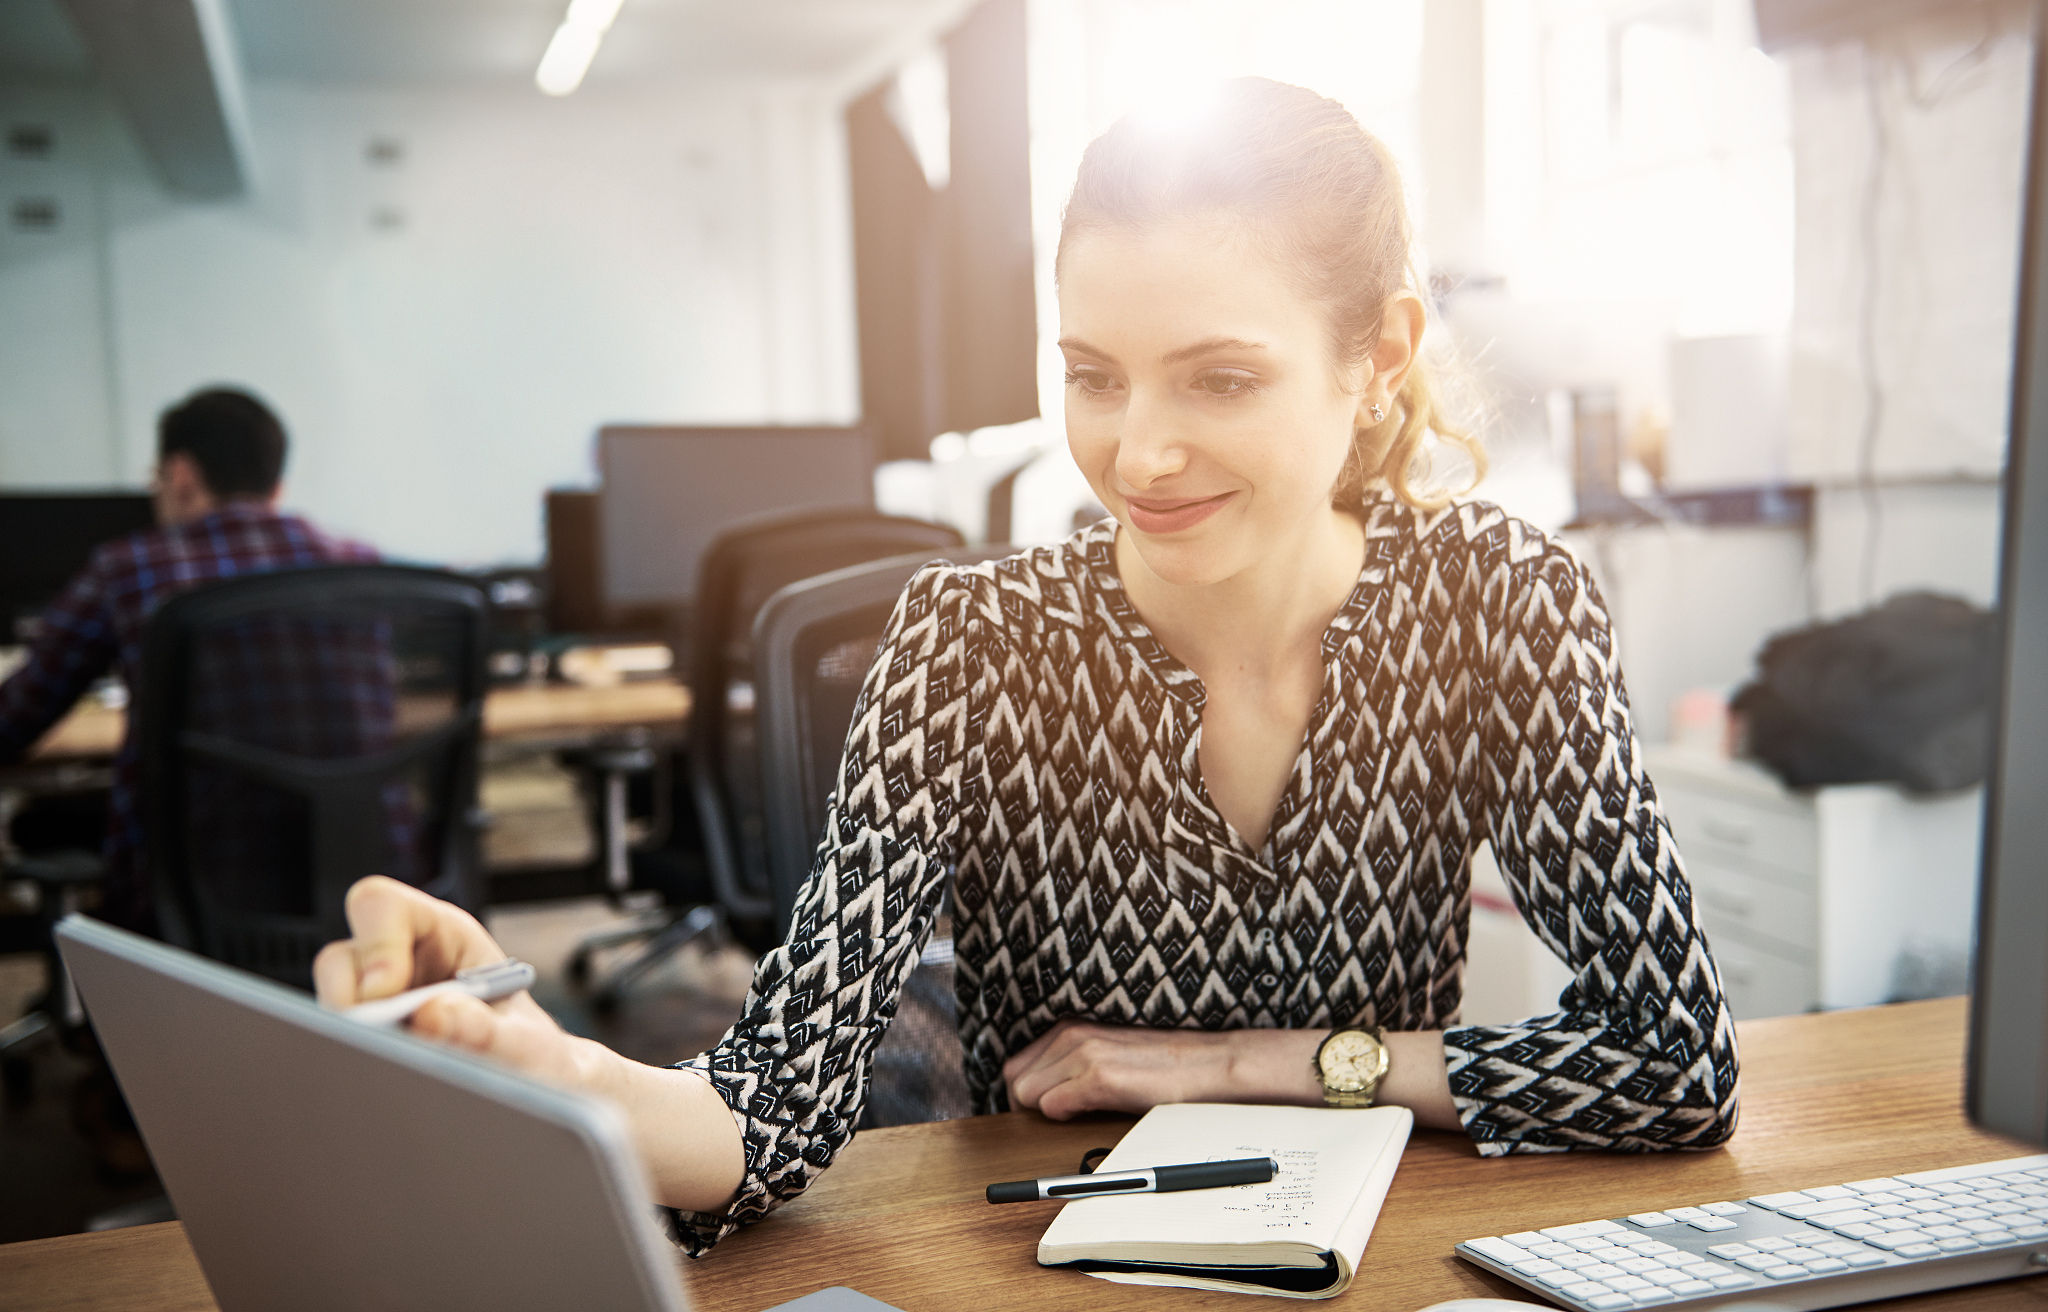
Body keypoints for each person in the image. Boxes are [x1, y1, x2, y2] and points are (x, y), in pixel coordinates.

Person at [315, 79, 1739, 1252]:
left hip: (1371, 1254)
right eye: (1094, 374)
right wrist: (547, 1061)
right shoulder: (970, 643)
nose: (1138, 453)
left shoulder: (1499, 601)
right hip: (1050, 1261)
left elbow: (1673, 1059)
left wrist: (1240, 1064)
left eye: (1219, 377)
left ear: (1377, 356)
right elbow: (773, 1109)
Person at [0, 386, 378, 933]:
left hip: (187, 910)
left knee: (45, 822)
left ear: (179, 475)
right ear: (277, 485)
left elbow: (15, 719)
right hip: (359, 900)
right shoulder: (360, 565)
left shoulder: (129, 571)